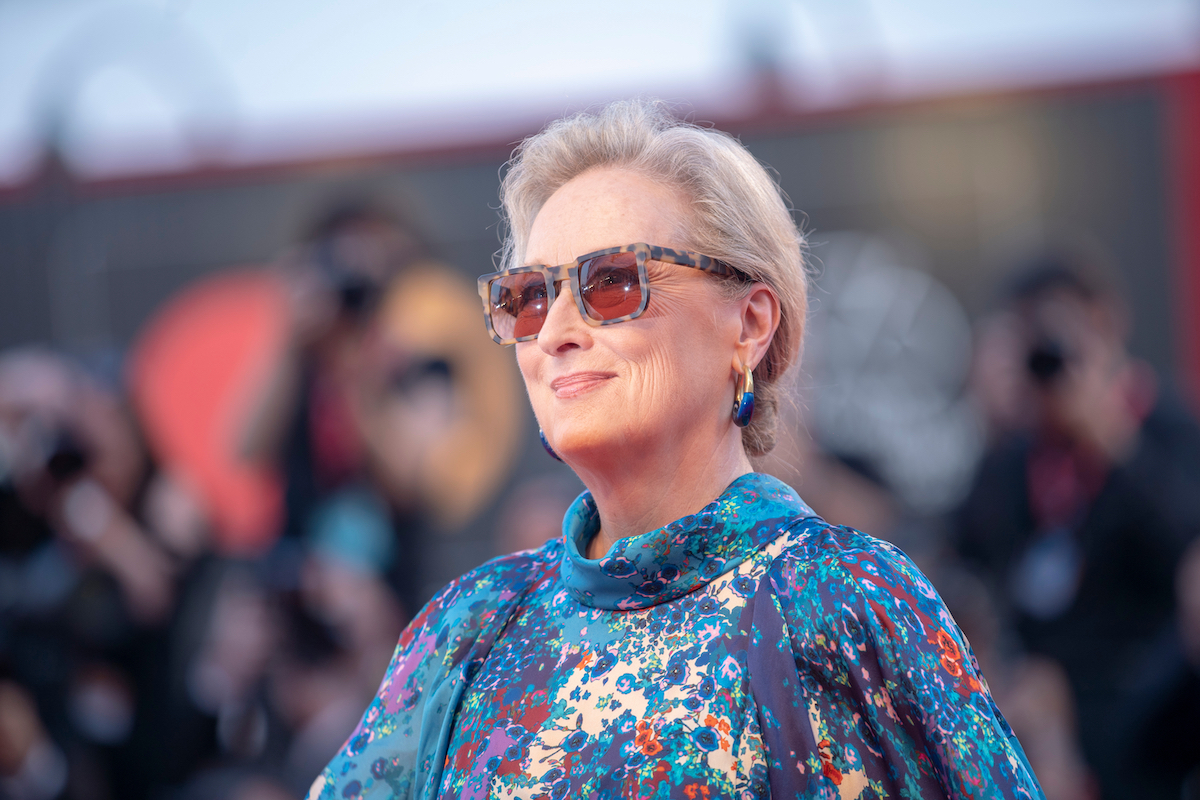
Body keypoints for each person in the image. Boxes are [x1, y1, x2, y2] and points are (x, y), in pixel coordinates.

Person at [306, 100, 1043, 799]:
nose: (556, 329)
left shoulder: (844, 601)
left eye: (613, 283)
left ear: (748, 325)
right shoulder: (468, 626)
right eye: (530, 296)